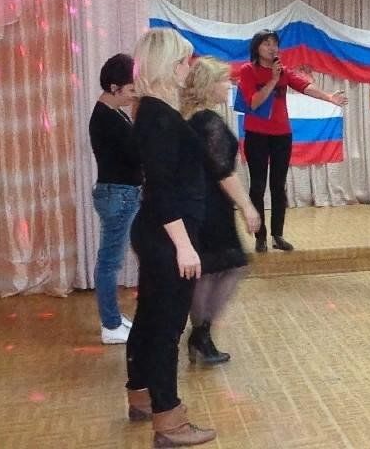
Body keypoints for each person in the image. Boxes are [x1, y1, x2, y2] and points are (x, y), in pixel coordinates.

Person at [125, 29, 215, 447]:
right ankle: (170, 421)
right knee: (165, 328)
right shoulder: (159, 117)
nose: (187, 68)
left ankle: (141, 395)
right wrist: (184, 245)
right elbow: (161, 189)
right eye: (183, 61)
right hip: (168, 235)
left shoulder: (152, 110)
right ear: (167, 65)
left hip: (158, 231)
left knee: (149, 317)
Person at [181, 57, 261, 366]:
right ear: (209, 85)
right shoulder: (208, 122)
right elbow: (223, 172)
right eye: (224, 80)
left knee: (210, 271)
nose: (230, 85)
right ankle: (201, 333)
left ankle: (201, 335)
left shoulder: (189, 118)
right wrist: (247, 206)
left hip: (198, 204)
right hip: (212, 206)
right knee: (228, 266)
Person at [237, 30, 347, 253]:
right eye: (267, 44)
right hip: (256, 135)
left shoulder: (284, 71)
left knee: (279, 186)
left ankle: (277, 235)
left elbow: (305, 86)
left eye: (275, 44)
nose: (272, 48)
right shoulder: (248, 71)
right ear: (257, 48)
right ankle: (260, 236)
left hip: (281, 135)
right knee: (257, 186)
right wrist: (273, 80)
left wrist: (328, 97)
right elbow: (254, 103)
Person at [89, 54, 142, 345]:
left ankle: (113, 319)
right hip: (118, 194)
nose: (134, 94)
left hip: (120, 192)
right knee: (109, 262)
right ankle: (110, 324)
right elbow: (134, 154)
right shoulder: (106, 118)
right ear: (114, 87)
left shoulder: (113, 113)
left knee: (110, 260)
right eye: (131, 89)